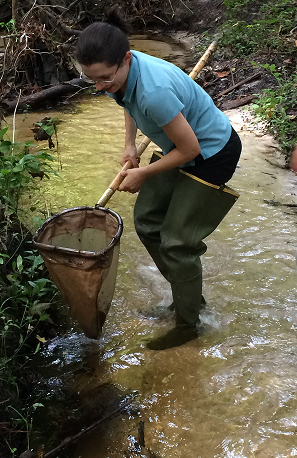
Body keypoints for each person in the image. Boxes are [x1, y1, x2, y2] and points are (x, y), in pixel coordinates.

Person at [75, 15, 242, 340]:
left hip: (211, 153)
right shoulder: (115, 75)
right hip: (179, 144)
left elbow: (190, 148)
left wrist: (142, 174)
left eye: (104, 78)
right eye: (91, 79)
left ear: (126, 59)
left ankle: (188, 325)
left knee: (177, 243)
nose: (99, 87)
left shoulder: (155, 91)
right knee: (148, 221)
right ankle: (187, 299)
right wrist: (128, 146)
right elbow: (125, 100)